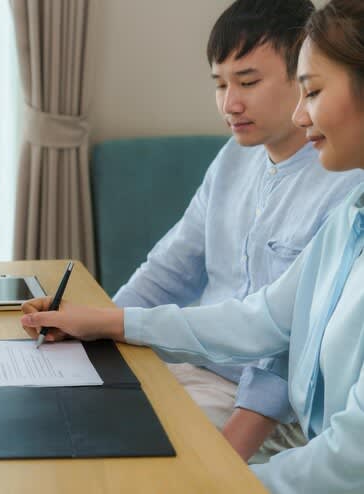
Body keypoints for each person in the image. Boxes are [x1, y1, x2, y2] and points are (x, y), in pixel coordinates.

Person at [21, 0, 364, 491]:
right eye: (221, 84)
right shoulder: (352, 210)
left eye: (311, 91)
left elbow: (345, 455)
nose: (230, 103)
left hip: (280, 422)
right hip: (205, 370)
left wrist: (216, 475)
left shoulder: (337, 189)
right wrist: (105, 324)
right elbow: (257, 317)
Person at [110, 0, 363, 464]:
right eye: (221, 84)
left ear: (301, 75)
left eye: (247, 82)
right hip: (195, 366)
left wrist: (225, 464)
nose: (230, 103)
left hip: (264, 412)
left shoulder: (346, 182)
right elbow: (169, 269)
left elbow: (280, 345)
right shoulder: (234, 157)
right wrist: (101, 339)